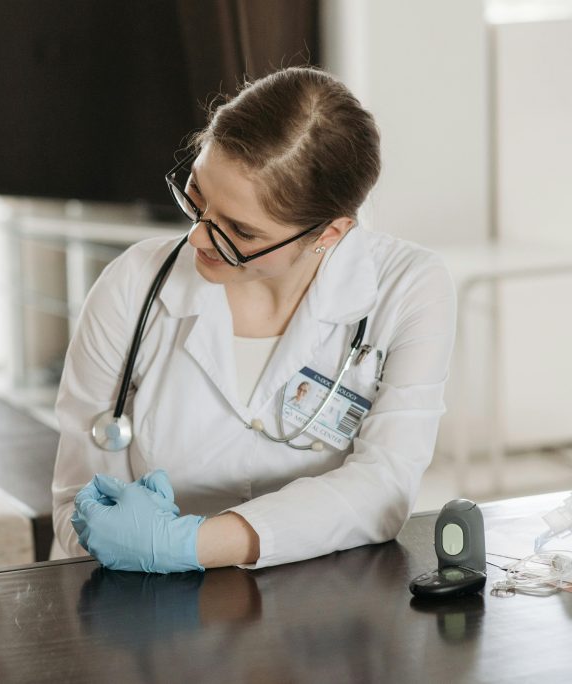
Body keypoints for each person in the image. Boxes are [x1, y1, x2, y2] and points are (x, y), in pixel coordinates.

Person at [51, 67, 456, 572]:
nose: (198, 239)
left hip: (323, 607)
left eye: (239, 230)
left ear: (330, 233)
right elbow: (79, 503)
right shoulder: (134, 284)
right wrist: (116, 538)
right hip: (143, 604)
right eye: (196, 197)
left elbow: (384, 485)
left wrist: (186, 544)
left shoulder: (410, 287)